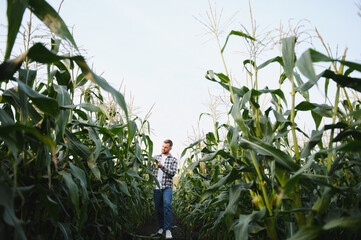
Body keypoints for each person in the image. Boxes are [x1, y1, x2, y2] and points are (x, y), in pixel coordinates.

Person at [151, 139, 178, 239]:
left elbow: (172, 173)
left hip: (167, 187)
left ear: (170, 148)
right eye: (162, 146)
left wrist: (162, 167)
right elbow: (150, 170)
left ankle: (168, 230)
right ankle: (161, 227)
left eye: (166, 147)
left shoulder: (173, 159)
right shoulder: (155, 157)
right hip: (156, 187)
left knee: (167, 205)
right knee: (159, 209)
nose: (163, 148)